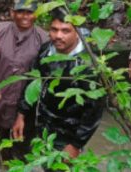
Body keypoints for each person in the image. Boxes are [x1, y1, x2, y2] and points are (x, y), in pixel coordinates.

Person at [13, 8, 103, 166]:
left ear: (77, 32)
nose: (58, 36)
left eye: (65, 31)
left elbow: (94, 111)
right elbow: (32, 82)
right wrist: (21, 114)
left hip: (68, 133)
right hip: (43, 124)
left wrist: (76, 144)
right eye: (54, 29)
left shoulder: (88, 66)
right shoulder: (46, 50)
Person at [0, 0, 48, 160]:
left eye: (29, 12)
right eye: (21, 12)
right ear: (13, 13)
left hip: (25, 110)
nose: (25, 16)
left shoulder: (43, 39)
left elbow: (44, 77)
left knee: (22, 152)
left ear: (36, 14)